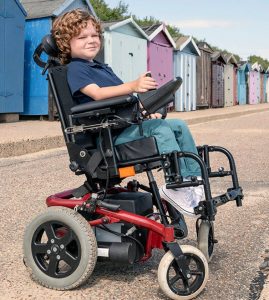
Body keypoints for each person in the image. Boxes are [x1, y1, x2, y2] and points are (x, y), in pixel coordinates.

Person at [51, 9, 204, 217]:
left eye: (95, 35)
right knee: (160, 130)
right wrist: (133, 85)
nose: (91, 40)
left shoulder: (101, 68)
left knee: (178, 126)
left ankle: (192, 183)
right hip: (108, 138)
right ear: (67, 43)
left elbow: (122, 103)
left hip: (123, 128)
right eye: (82, 37)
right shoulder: (76, 69)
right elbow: (97, 94)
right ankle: (175, 187)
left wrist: (144, 112)